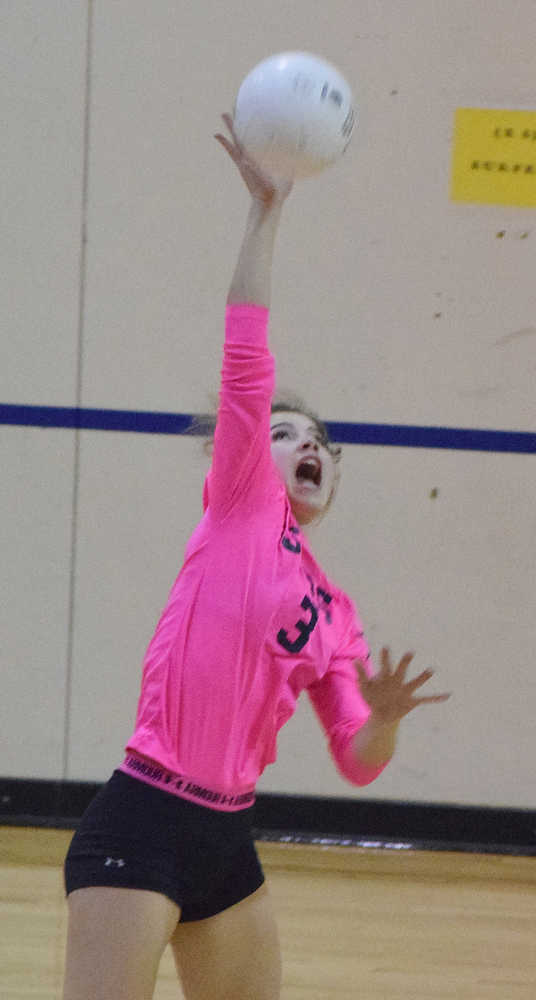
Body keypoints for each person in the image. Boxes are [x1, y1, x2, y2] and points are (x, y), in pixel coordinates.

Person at [62, 114, 450, 1000]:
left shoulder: (336, 613)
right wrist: (265, 214)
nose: (307, 445)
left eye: (322, 443)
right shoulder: (241, 505)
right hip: (143, 817)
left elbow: (357, 755)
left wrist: (384, 718)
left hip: (227, 842)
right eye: (286, 433)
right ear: (246, 453)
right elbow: (247, 361)